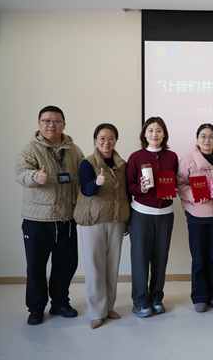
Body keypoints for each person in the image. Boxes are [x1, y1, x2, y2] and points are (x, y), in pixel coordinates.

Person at [14, 105, 84, 325]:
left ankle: (60, 303)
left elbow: (83, 177)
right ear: (39, 123)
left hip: (67, 218)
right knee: (36, 267)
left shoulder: (74, 150)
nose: (51, 125)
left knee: (66, 264)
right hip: (38, 220)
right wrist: (36, 177)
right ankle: (36, 308)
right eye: (46, 120)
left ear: (64, 124)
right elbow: (21, 173)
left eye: (56, 121)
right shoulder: (30, 150)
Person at [74, 123, 130, 329]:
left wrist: (127, 220)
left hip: (116, 221)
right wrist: (96, 183)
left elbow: (126, 194)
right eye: (102, 138)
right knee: (95, 268)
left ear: (116, 140)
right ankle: (97, 312)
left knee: (112, 267)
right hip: (94, 221)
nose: (106, 142)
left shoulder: (122, 165)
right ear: (95, 140)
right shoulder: (87, 163)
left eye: (111, 138)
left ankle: (108, 307)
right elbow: (86, 189)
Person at [126, 116, 178, 318]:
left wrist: (172, 190)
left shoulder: (171, 156)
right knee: (140, 259)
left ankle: (157, 298)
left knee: (161, 258)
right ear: (144, 134)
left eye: (158, 130)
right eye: (150, 130)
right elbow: (129, 186)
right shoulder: (136, 157)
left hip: (165, 214)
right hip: (141, 213)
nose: (154, 134)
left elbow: (175, 181)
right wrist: (140, 188)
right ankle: (140, 302)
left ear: (164, 134)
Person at [177, 123, 213, 313]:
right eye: (203, 136)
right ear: (197, 139)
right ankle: (199, 296)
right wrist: (194, 195)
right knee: (199, 258)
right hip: (196, 215)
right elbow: (180, 184)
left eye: (211, 136)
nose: (207, 140)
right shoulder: (187, 160)